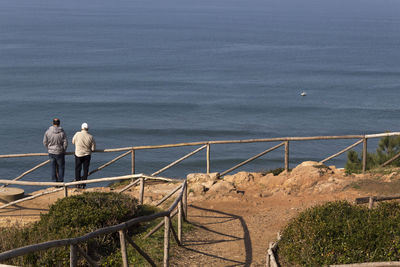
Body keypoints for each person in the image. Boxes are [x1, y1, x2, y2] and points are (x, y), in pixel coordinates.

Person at [43, 118, 68, 183]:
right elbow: (65, 143)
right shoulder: (62, 132)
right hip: (60, 152)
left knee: (53, 167)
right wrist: (64, 150)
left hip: (51, 152)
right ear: (59, 123)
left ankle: (54, 182)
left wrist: (48, 148)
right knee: (61, 167)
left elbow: (45, 142)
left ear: (52, 123)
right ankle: (60, 181)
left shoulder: (48, 132)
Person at [72, 122, 96, 189]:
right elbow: (93, 148)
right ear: (87, 128)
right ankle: (83, 184)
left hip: (78, 154)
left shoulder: (77, 134)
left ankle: (77, 184)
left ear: (81, 128)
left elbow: (73, 142)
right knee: (85, 170)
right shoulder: (90, 136)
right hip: (87, 155)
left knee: (78, 169)